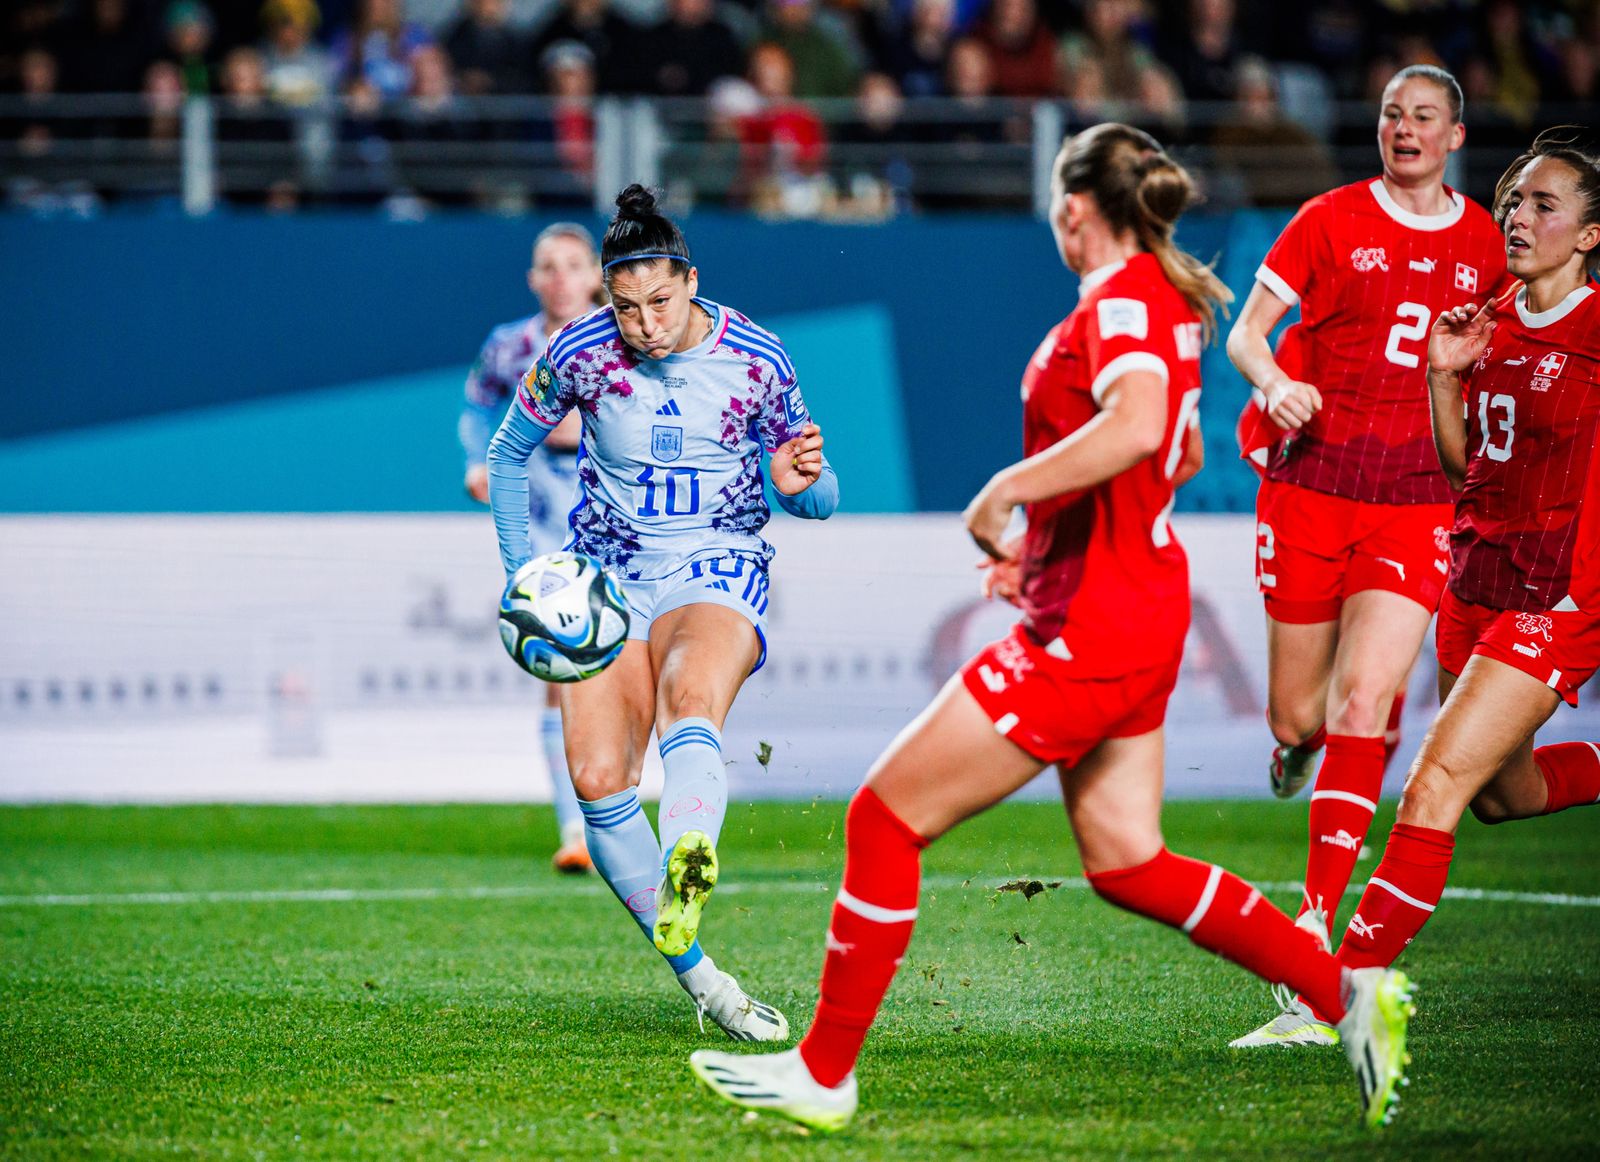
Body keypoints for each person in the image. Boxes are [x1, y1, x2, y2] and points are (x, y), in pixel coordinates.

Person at [687, 123, 1414, 1133]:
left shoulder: (1121, 299)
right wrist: (1051, 548)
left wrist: (1004, 495)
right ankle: (1345, 994)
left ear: (1072, 208)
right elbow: (1179, 455)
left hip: (1097, 626)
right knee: (1126, 859)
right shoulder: (1166, 302)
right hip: (1132, 601)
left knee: (883, 818)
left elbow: (1135, 426)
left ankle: (821, 1070)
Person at [485, 185, 839, 1039]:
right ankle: (707, 982)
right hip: (607, 577)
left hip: (716, 560)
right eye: (626, 306)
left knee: (691, 695)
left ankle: (690, 852)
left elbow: (818, 492)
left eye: (661, 302)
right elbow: (507, 456)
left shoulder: (757, 356)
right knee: (601, 782)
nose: (643, 324)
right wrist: (521, 578)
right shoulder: (577, 350)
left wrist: (807, 488)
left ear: (690, 280)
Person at [1225, 67, 1506, 1051]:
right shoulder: (1328, 218)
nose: (1403, 129)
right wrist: (1274, 384)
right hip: (1308, 489)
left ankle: (1312, 929)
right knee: (1300, 713)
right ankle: (1294, 748)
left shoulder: (1484, 242)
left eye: (1422, 116)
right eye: (1390, 113)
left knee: (1368, 701)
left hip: (1416, 502)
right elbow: (1246, 334)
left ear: (1456, 135)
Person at [1328, 131, 1600, 993]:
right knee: (1499, 794)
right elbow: (1464, 471)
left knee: (1436, 782)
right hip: (1475, 581)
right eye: (1514, 200)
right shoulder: (1491, 316)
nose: (1517, 216)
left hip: (1557, 597)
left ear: (1591, 235)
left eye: (1543, 205)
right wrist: (1445, 378)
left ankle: (1335, 992)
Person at [461, 223, 605, 873]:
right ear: (533, 279)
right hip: (547, 523)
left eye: (573, 265)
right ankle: (576, 829)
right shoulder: (509, 345)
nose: (560, 278)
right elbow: (475, 405)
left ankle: (624, 808)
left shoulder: (624, 338)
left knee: (635, 673)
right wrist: (477, 462)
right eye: (547, 266)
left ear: (595, 275)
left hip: (618, 518)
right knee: (561, 673)